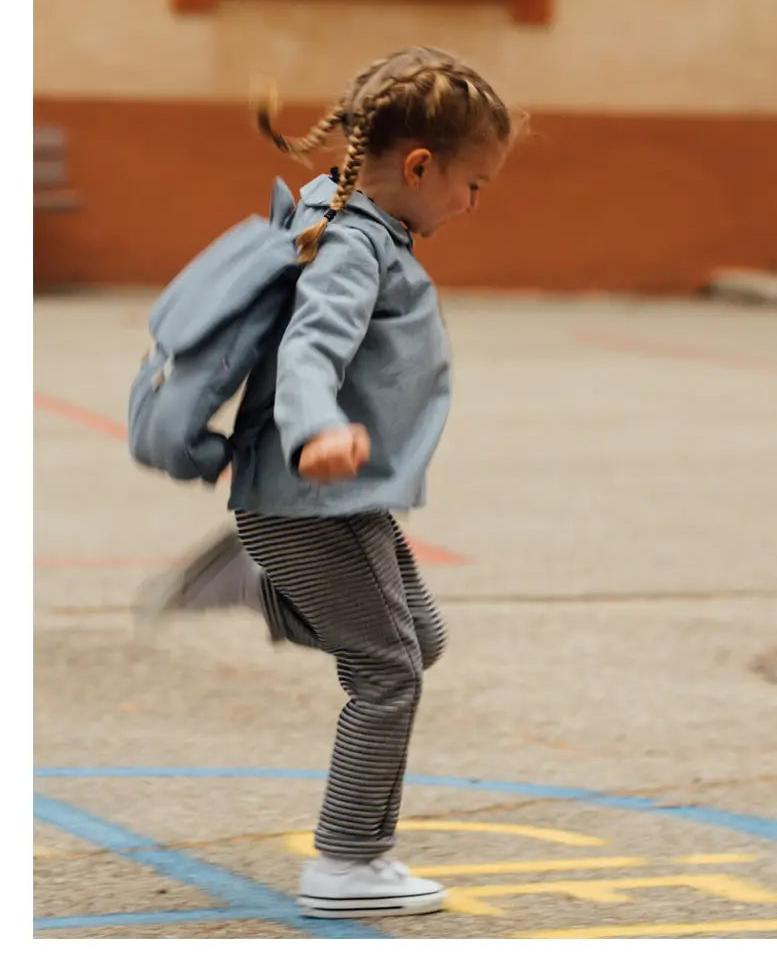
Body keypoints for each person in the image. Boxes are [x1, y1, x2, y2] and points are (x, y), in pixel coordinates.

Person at [136, 46, 517, 918]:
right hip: (311, 499)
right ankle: (347, 861)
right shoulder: (353, 244)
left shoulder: (345, 213)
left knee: (419, 640)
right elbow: (312, 345)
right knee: (388, 672)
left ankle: (256, 586)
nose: (471, 204)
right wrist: (316, 428)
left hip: (339, 501)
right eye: (474, 184)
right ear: (419, 166)